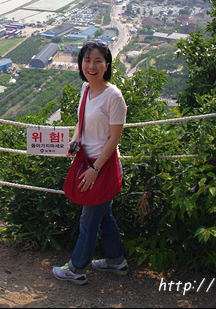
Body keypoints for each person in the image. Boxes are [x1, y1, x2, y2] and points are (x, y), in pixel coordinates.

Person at [52, 40, 128, 285]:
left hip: (101, 166)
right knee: (103, 217)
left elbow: (114, 138)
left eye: (98, 61)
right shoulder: (86, 89)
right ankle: (116, 261)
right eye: (87, 60)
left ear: (107, 65)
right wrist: (75, 140)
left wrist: (95, 169)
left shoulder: (113, 97)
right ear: (80, 63)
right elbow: (81, 122)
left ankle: (77, 268)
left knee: (88, 220)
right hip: (87, 162)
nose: (91, 66)